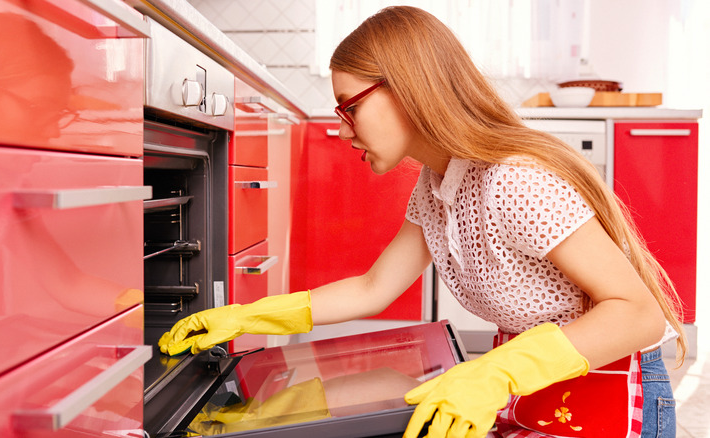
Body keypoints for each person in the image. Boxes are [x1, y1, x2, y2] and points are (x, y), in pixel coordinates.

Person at [159, 6, 685, 438]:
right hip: (528, 378)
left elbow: (637, 313)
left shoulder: (514, 180)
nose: (343, 131)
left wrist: (500, 371)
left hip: (602, 383)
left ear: (408, 89)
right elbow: (373, 289)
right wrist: (246, 317)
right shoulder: (437, 186)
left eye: (349, 108)